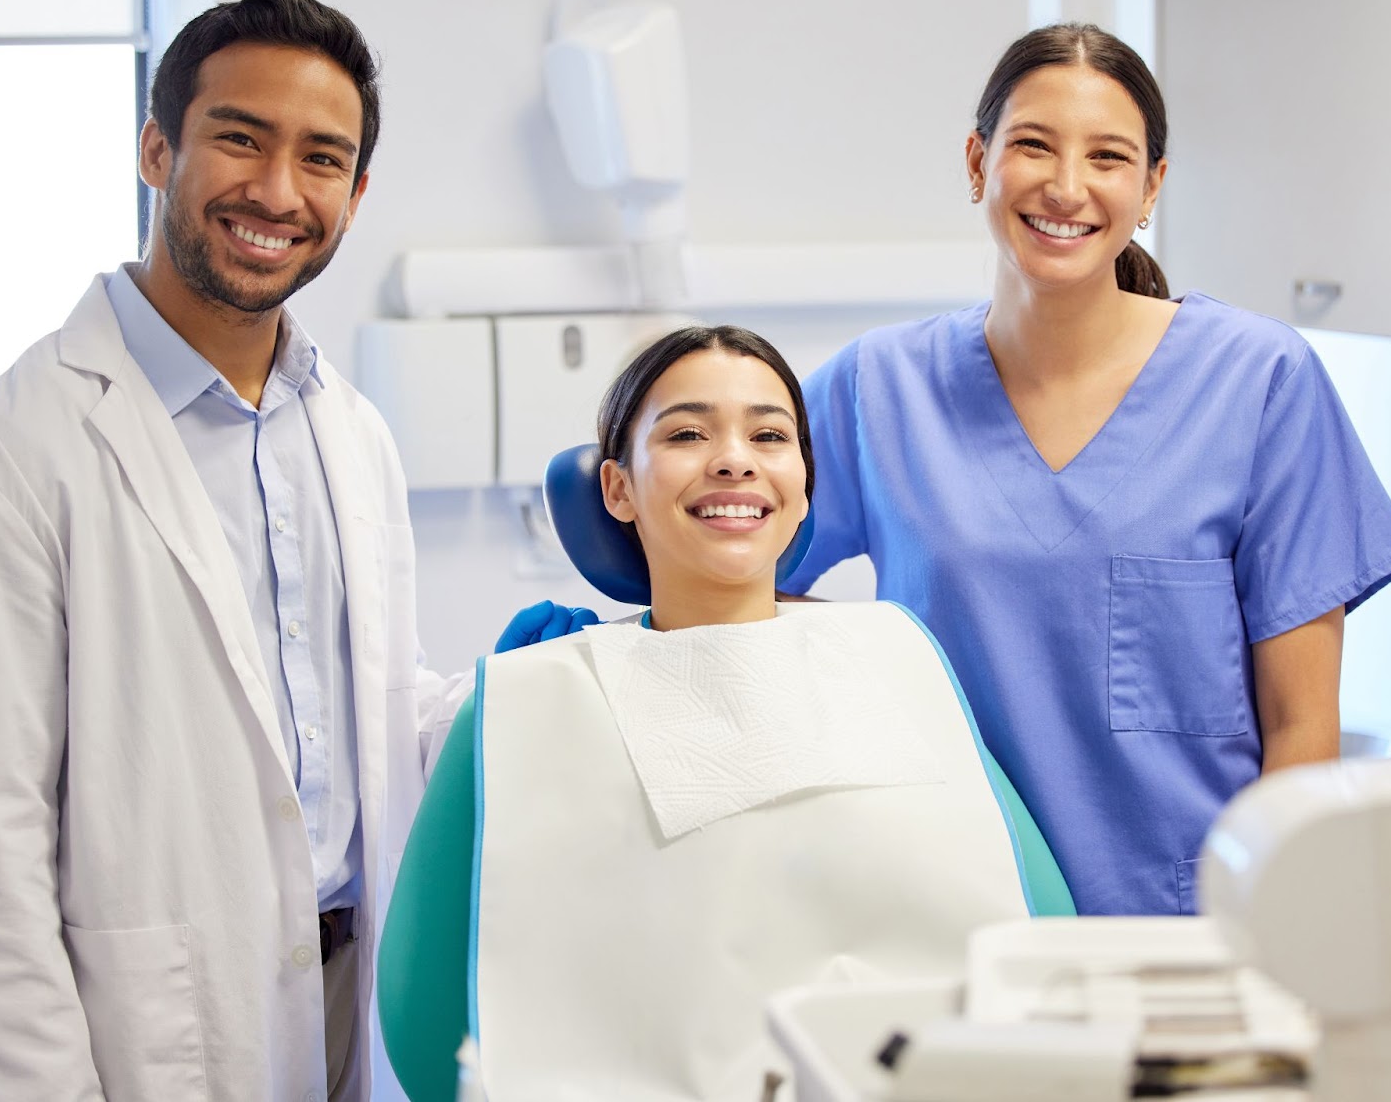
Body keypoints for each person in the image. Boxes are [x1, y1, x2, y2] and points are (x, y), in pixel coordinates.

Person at [0, 0, 553, 1101]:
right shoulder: (4, 459)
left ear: (357, 190)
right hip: (142, 1043)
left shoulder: (346, 429)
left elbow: (359, 722)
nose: (278, 192)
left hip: (353, 1003)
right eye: (240, 139)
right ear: (158, 148)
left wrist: (545, 691)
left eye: (322, 158)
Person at [783, 23, 1391, 918]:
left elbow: (1301, 726)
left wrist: (1278, 940)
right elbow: (739, 587)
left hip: (1191, 930)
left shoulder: (1260, 382)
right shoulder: (875, 387)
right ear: (978, 162)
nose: (1067, 186)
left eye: (1109, 157)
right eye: (1033, 145)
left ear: (1151, 185)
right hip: (950, 917)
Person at [377, 326, 1074, 1102]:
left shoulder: (896, 658)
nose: (735, 457)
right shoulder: (530, 701)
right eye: (686, 432)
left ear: (804, 483)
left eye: (769, 433)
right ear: (617, 488)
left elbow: (1029, 917)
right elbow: (430, 1018)